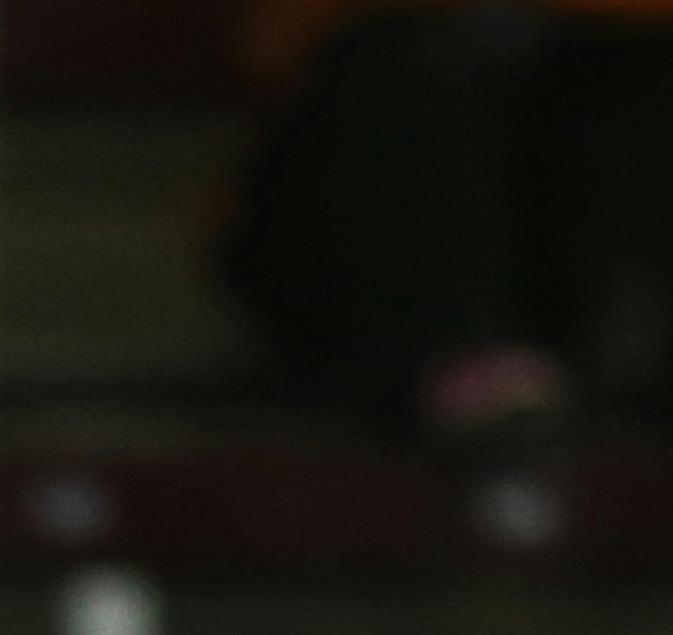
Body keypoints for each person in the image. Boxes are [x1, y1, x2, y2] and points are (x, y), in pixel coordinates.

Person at [227, 0, 673, 445]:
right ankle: (471, 365)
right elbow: (274, 46)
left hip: (600, 89)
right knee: (434, 59)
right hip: (347, 181)